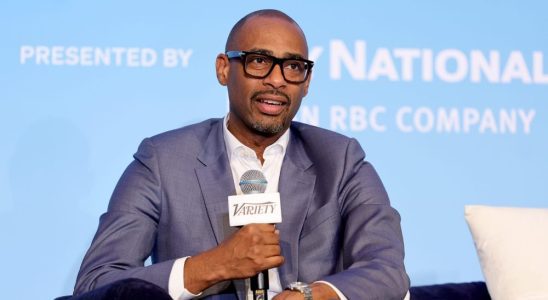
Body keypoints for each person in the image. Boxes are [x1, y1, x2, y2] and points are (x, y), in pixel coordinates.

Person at [74, 9, 409, 300]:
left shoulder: (340, 160)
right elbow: (96, 283)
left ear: (306, 82)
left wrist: (311, 296)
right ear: (224, 69)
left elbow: (388, 271)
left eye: (293, 67)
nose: (277, 80)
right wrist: (213, 265)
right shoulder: (162, 161)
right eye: (259, 61)